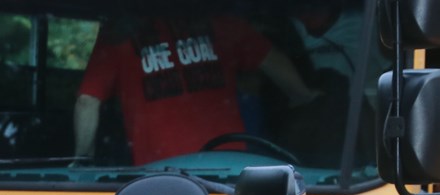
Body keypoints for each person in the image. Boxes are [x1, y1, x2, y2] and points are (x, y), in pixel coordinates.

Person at [72, 12, 318, 164]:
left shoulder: (118, 34)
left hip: (159, 178)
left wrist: (82, 159)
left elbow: (87, 102)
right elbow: (271, 59)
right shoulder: (220, 20)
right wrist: (303, 95)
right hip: (229, 171)